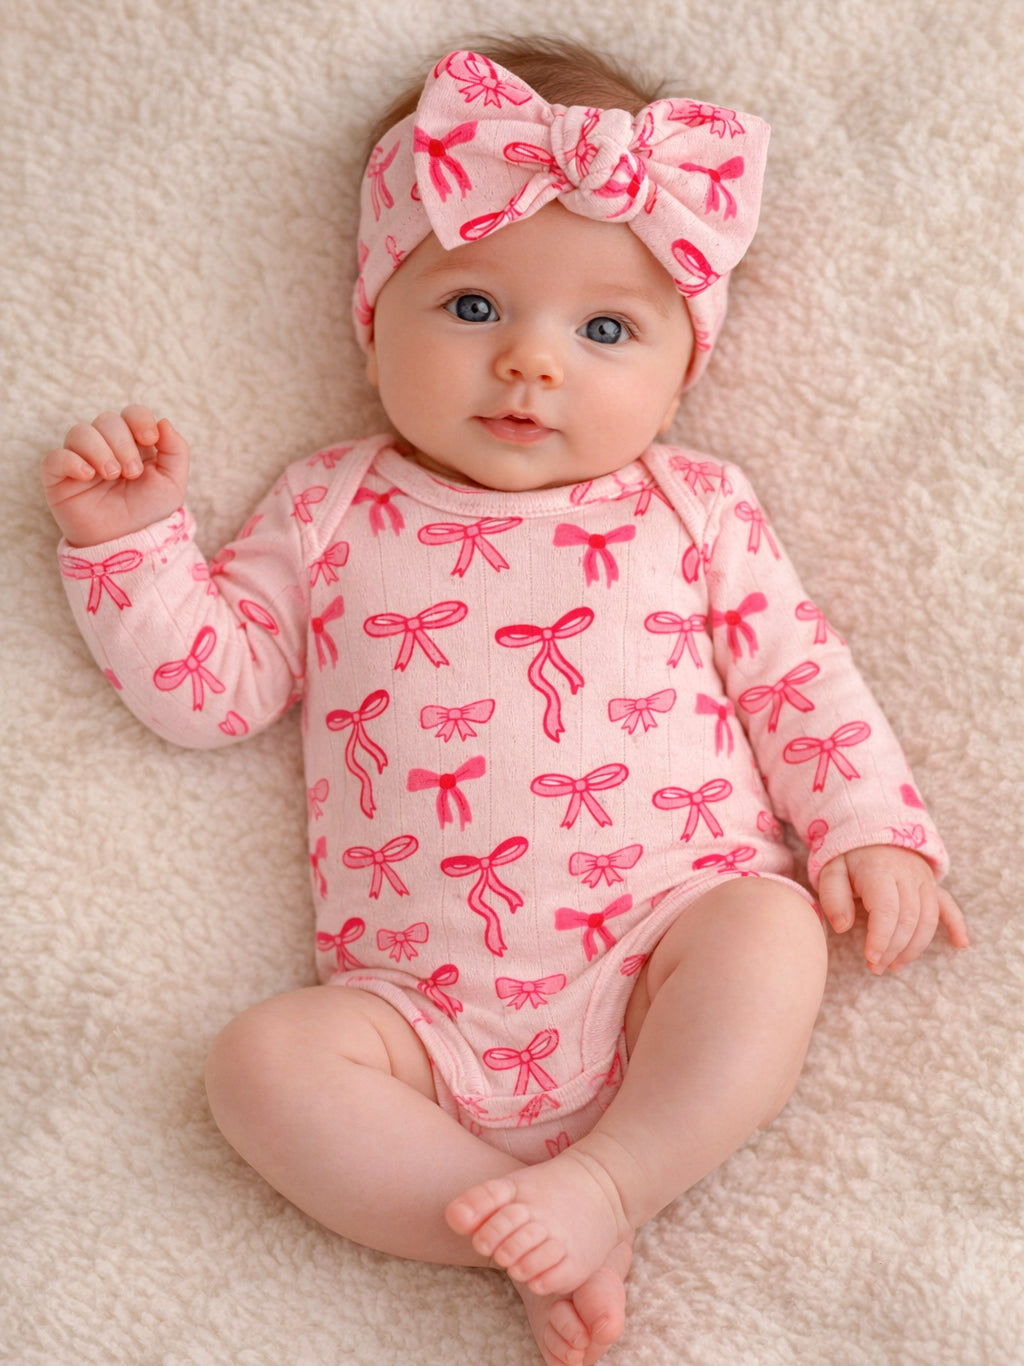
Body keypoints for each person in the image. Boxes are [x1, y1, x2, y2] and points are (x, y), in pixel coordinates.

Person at [41, 37, 969, 1366]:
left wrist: (869, 824)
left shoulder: (691, 507)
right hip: (417, 1019)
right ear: (375, 316)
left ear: (681, 371)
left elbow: (795, 670)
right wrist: (131, 546)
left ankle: (612, 1178)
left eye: (604, 331)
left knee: (771, 935)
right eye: (474, 307)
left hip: (663, 942)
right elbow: (214, 687)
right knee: (258, 1067)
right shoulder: (330, 504)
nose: (532, 365)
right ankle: (519, 1229)